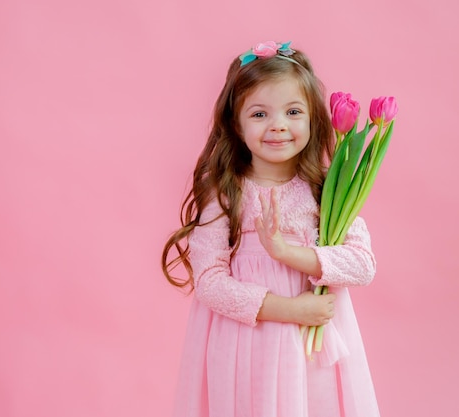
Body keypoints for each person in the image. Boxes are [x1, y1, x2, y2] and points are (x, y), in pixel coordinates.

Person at [161, 41, 380, 417]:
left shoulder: (325, 190)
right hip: (247, 347)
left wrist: (287, 253)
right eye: (260, 114)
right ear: (236, 123)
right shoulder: (226, 192)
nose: (278, 124)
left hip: (313, 350)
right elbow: (210, 282)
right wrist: (291, 309)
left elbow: (362, 264)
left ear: (313, 119)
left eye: (293, 111)